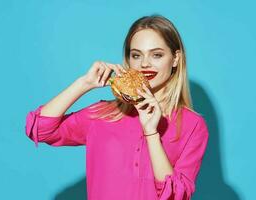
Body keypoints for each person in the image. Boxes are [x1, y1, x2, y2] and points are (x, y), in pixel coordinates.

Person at [25, 14, 209, 200]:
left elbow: (176, 196)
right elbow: (40, 129)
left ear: (176, 59)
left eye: (157, 55)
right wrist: (84, 84)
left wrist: (151, 133)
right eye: (136, 55)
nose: (145, 64)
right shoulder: (103, 114)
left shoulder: (193, 125)